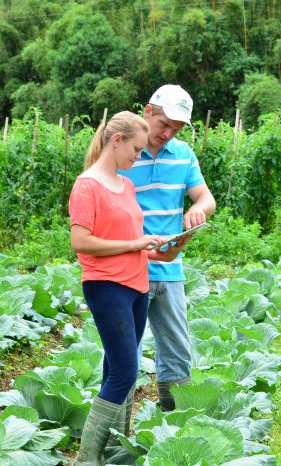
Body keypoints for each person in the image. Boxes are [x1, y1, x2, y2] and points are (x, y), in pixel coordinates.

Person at [69, 111, 184, 465]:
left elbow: (131, 241)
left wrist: (165, 249)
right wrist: (134, 244)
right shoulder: (87, 185)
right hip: (107, 287)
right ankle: (87, 458)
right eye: (135, 149)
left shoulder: (127, 185)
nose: (138, 156)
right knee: (124, 371)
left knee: (114, 369)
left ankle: (110, 448)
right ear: (116, 141)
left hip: (137, 284)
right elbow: (81, 242)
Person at [120, 85, 216, 412]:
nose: (168, 133)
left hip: (170, 269)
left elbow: (206, 198)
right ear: (148, 112)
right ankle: (118, 442)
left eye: (176, 128)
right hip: (130, 269)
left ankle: (172, 433)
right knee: (124, 356)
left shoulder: (184, 155)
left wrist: (198, 209)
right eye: (164, 124)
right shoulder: (124, 156)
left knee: (177, 354)